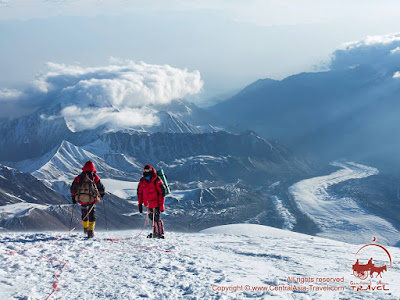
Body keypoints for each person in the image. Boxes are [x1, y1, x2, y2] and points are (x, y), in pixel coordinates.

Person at [70, 161, 105, 238]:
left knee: (84, 214)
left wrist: (73, 198)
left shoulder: (79, 178)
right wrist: (102, 195)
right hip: (92, 199)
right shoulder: (95, 177)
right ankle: (91, 231)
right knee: (92, 214)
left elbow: (73, 188)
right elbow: (101, 187)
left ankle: (85, 228)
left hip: (81, 199)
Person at [137, 165, 166, 239]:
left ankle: (160, 233)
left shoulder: (157, 180)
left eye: (147, 171)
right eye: (145, 171)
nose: (146, 173)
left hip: (156, 203)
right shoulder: (142, 180)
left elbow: (162, 192)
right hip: (148, 204)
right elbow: (140, 192)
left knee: (157, 218)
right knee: (151, 218)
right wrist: (140, 204)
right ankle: (155, 233)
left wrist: (161, 205)